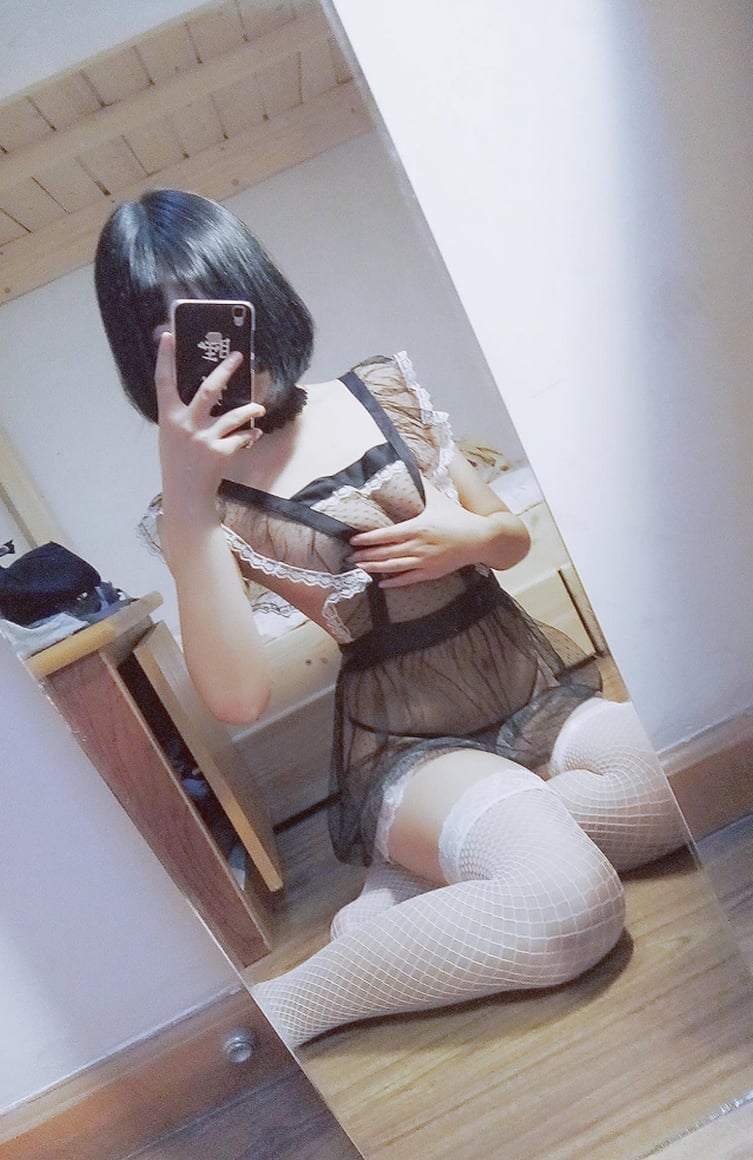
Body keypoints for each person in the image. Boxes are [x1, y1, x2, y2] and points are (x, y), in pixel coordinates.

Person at [94, 189, 687, 1048]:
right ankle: (292, 1005)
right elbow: (237, 700)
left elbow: (510, 538)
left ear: (258, 296)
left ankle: (439, 875)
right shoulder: (199, 508)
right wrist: (188, 504)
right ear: (144, 359)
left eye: (220, 313)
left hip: (528, 690)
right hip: (413, 744)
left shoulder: (379, 391)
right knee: (571, 909)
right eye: (174, 335)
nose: (216, 353)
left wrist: (468, 537)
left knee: (689, 775)